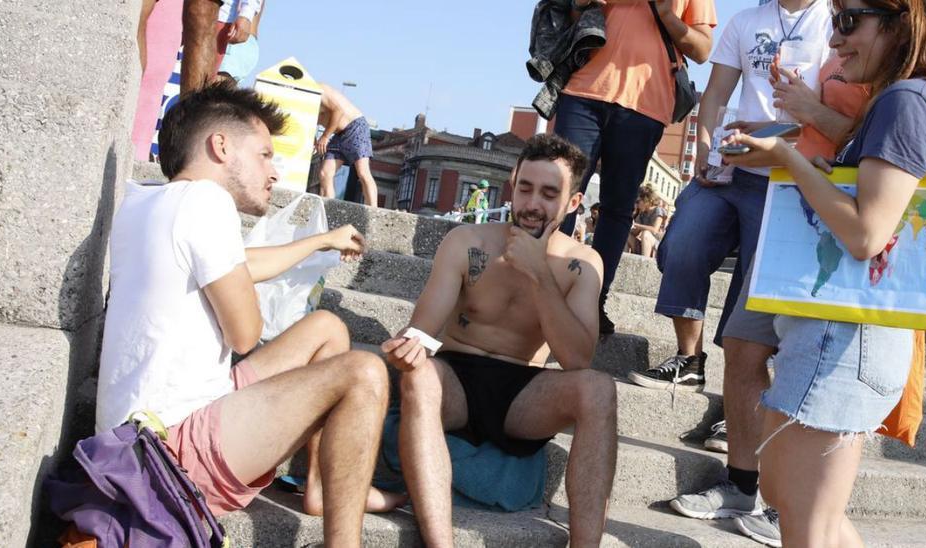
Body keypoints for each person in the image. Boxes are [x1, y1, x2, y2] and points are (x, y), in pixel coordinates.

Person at [96, 82, 401, 546]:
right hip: (169, 453)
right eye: (263, 154)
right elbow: (245, 334)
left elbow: (234, 265)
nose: (274, 172)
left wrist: (320, 241)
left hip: (138, 434)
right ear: (220, 146)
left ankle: (320, 487)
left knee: (327, 329)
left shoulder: (146, 200)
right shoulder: (207, 201)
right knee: (365, 372)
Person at [719, 0, 926, 543]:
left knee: (804, 522)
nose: (833, 41)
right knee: (805, 510)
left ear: (899, 19)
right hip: (846, 336)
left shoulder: (904, 99)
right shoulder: (911, 98)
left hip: (844, 337)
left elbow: (866, 233)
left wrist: (791, 162)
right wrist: (795, 158)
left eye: (846, 22)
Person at [640, 1, 869, 543]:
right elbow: (716, 93)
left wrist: (806, 113)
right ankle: (740, 476)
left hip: (804, 192)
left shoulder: (847, 28)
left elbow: (859, 132)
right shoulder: (751, 21)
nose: (844, 38)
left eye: (852, 28)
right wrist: (708, 145)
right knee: (700, 273)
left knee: (773, 349)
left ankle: (781, 498)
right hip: (747, 165)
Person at [382, 134, 616, 548]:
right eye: (525, 188)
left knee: (599, 389)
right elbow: (422, 328)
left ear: (573, 203)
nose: (532, 204)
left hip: (523, 392)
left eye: (549, 193)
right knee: (419, 376)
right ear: (513, 183)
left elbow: (578, 359)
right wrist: (407, 347)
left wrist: (539, 273)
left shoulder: (582, 264)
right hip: (456, 375)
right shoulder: (467, 241)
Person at [555, 0, 718, 334]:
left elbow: (702, 49)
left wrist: (666, 14)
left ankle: (593, 300)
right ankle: (541, 286)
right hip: (583, 90)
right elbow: (569, 16)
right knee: (560, 191)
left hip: (645, 104)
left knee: (617, 208)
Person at [316, 83, 380, 207]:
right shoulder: (303, 102)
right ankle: (328, 208)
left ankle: (373, 210)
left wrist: (324, 136)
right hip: (338, 135)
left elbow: (338, 111)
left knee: (362, 172)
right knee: (325, 173)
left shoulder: (320, 90)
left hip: (355, 127)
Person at [180, 0, 262, 93]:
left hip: (228, 30)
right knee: (208, 95)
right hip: (229, 27)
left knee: (208, 95)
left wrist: (246, 14)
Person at [628, 187, 666, 256]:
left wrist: (636, 225)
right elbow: (635, 233)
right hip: (644, 245)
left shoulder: (658, 210)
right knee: (627, 236)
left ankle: (645, 263)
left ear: (646, 200)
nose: (637, 205)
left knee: (646, 234)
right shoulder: (642, 213)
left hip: (656, 248)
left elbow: (655, 230)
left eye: (638, 201)